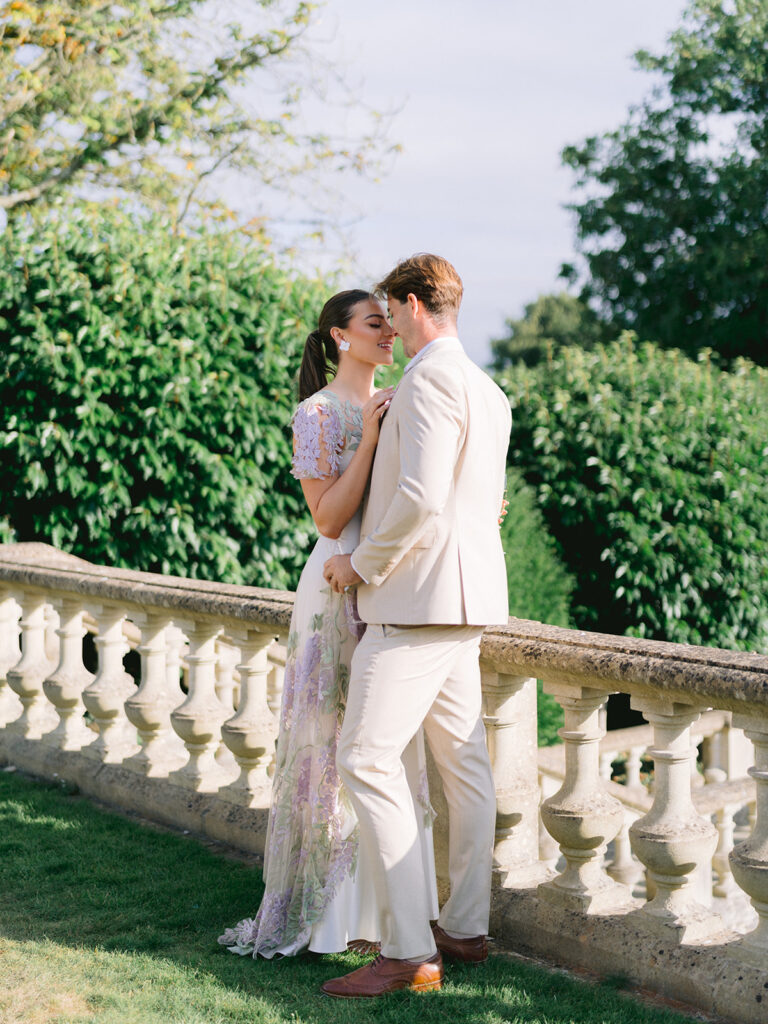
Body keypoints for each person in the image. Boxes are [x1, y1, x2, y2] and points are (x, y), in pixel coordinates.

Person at [218, 290, 438, 959]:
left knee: (391, 739)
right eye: (376, 324)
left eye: (390, 323)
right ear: (341, 337)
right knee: (332, 740)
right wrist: (369, 437)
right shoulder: (317, 415)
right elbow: (328, 520)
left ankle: (392, 912)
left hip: (391, 584)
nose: (390, 333)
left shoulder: (404, 396)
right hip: (336, 581)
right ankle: (328, 913)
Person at [322, 254, 511, 997]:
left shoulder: (431, 379)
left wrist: (360, 565)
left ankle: (405, 950)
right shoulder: (488, 388)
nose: (391, 329)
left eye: (392, 313)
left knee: (365, 760)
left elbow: (422, 497)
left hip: (417, 601)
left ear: (410, 303)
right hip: (466, 603)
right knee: (464, 768)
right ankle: (464, 928)